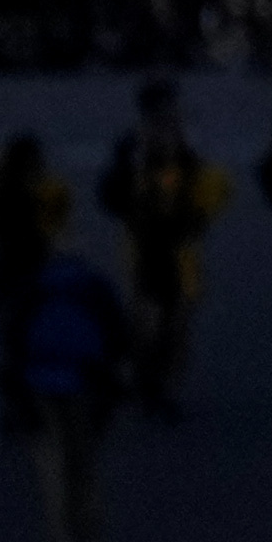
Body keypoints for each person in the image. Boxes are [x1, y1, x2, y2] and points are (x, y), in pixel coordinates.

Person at [100, 78, 232, 418]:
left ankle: (162, 384)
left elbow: (208, 185)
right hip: (145, 242)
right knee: (148, 317)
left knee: (177, 320)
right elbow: (112, 192)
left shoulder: (187, 145)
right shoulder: (133, 146)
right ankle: (146, 379)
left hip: (181, 243)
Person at [16, 205, 130, 542]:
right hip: (85, 379)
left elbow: (14, 336)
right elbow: (116, 333)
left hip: (42, 378)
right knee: (85, 463)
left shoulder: (35, 284)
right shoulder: (92, 285)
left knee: (54, 462)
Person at [0, 129, 69, 427]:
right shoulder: (10, 191)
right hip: (24, 272)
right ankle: (23, 404)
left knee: (19, 341)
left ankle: (20, 404)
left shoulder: (3, 190)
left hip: (20, 272)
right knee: (22, 340)